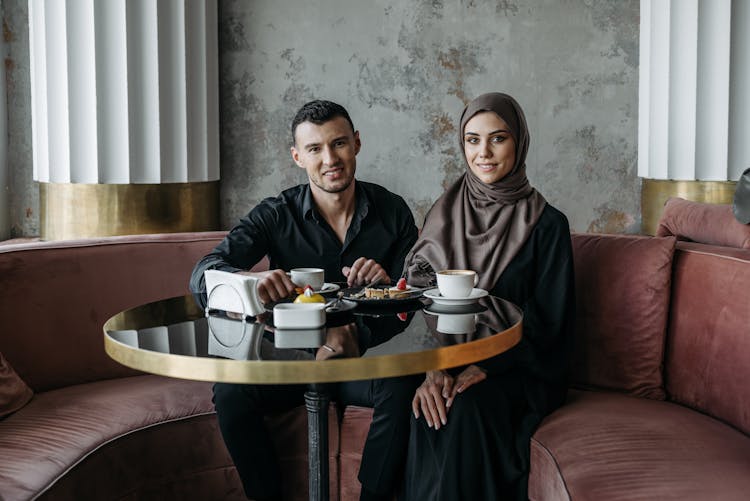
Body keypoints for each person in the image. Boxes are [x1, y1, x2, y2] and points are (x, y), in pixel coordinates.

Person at [190, 99, 419, 501]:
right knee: (230, 391)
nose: (330, 158)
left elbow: (413, 299)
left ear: (357, 144)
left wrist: (386, 288)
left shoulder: (393, 212)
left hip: (360, 365)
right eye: (315, 149)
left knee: (403, 384)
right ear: (298, 157)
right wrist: (250, 281)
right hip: (290, 363)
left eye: (339, 144)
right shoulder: (276, 214)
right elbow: (203, 273)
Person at [401, 92, 575, 500]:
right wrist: (433, 369)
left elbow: (551, 322)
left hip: (520, 368)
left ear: (520, 141)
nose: (484, 152)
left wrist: (488, 366)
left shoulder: (547, 225)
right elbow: (419, 302)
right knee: (427, 406)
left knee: (465, 408)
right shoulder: (443, 214)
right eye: (472, 140)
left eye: (498, 138)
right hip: (444, 362)